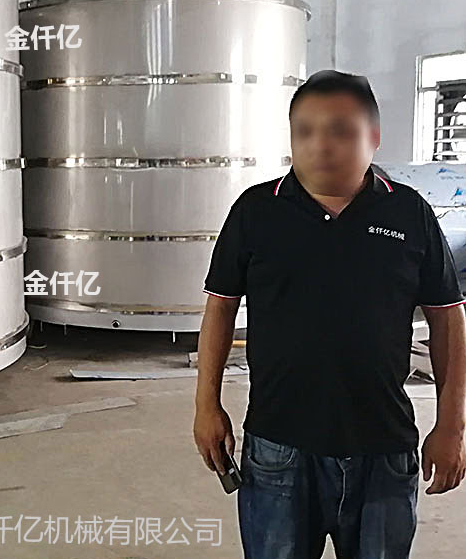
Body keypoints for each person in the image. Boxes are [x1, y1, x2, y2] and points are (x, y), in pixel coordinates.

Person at [193, 70, 466, 559]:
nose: (320, 145)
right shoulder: (256, 212)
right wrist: (206, 405)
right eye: (305, 131)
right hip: (279, 446)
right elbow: (220, 308)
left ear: (373, 137)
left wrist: (451, 426)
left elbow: (447, 320)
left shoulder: (410, 214)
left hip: (382, 448)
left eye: (340, 130)